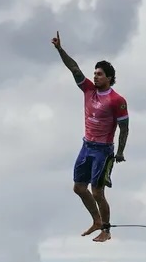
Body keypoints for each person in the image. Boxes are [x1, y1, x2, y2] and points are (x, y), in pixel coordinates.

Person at [52, 31, 129, 243]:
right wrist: (60, 49)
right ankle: (96, 220)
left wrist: (120, 152)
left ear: (110, 78)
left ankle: (106, 229)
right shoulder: (88, 90)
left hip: (103, 150)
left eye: (100, 74)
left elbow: (124, 127)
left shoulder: (117, 100)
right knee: (78, 187)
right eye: (94, 73)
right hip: (86, 146)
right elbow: (74, 68)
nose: (95, 76)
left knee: (97, 192)